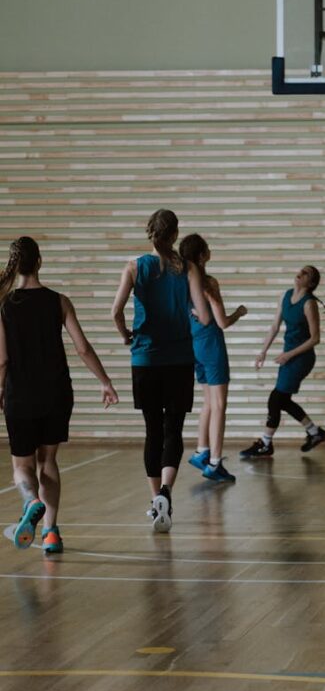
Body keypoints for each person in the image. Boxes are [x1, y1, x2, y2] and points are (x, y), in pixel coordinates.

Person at [0, 236, 118, 554]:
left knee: (22, 465)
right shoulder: (59, 301)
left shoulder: (4, 305)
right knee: (48, 461)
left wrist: (0, 390)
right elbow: (82, 348)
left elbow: (3, 359)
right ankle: (51, 532)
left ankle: (31, 500)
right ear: (39, 262)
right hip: (56, 393)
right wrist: (105, 381)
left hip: (20, 395)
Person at [111, 209, 210, 532]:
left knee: (153, 430)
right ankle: (167, 490)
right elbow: (205, 316)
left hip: (145, 359)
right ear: (175, 234)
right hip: (180, 359)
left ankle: (157, 502)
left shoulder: (135, 266)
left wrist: (126, 334)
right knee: (174, 430)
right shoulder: (189, 268)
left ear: (150, 232)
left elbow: (115, 312)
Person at [179, 233, 247, 484]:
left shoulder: (180, 284)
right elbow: (222, 322)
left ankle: (201, 451)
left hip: (193, 346)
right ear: (201, 255)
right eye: (207, 248)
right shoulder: (207, 283)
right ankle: (215, 462)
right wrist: (239, 312)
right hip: (211, 344)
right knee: (219, 405)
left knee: (208, 401)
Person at [240, 265, 325, 459]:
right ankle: (315, 432)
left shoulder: (309, 304)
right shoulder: (286, 295)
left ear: (311, 283)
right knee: (283, 400)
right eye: (301, 270)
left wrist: (289, 355)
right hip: (288, 356)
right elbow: (274, 326)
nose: (300, 273)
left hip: (301, 358)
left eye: (306, 273)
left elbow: (315, 338)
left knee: (276, 399)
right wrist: (262, 351)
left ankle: (265, 443)